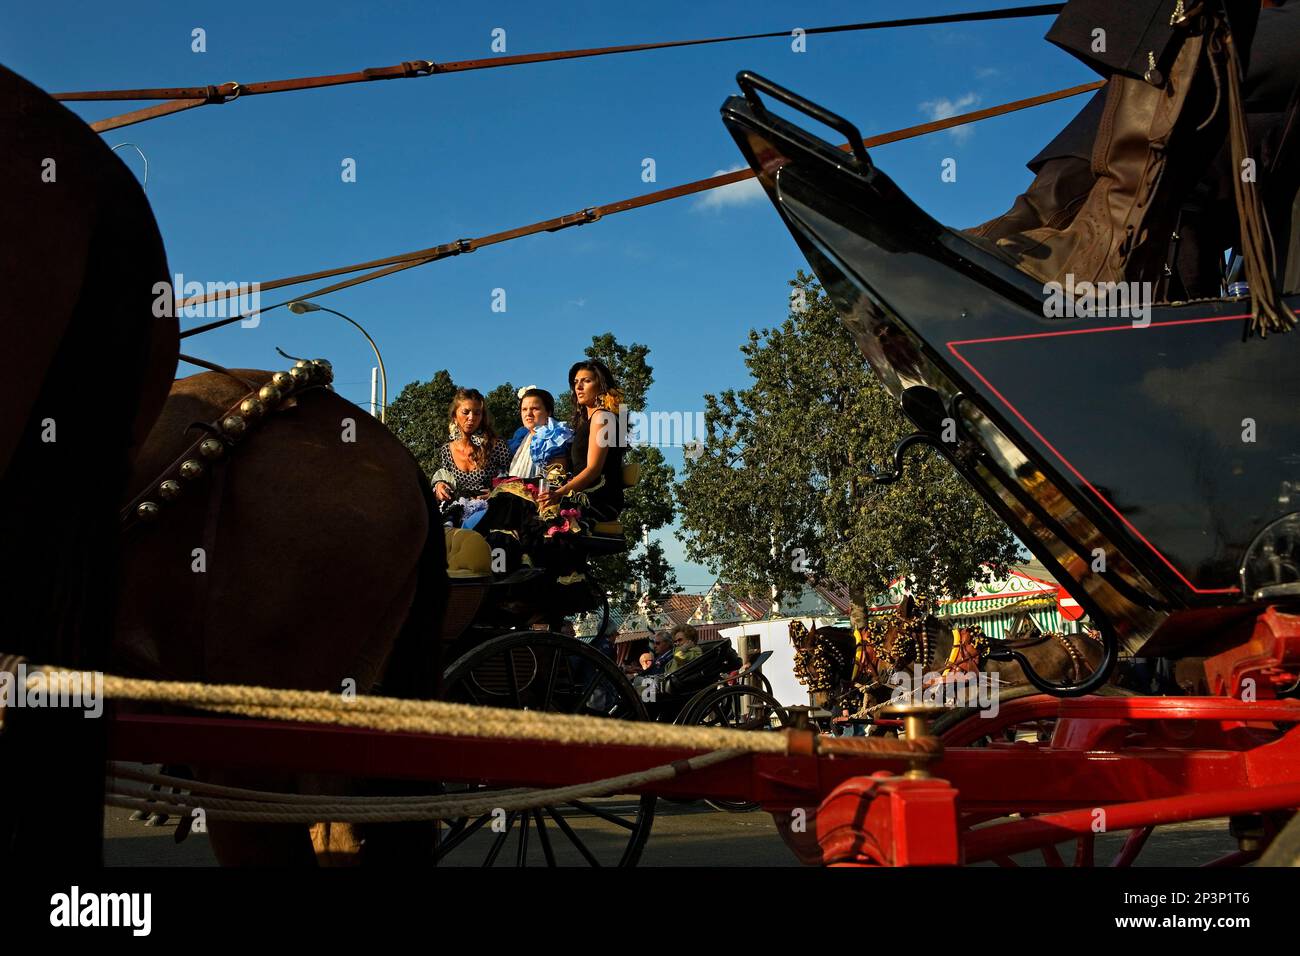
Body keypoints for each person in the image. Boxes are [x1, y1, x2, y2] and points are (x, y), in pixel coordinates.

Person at [536, 360, 627, 527]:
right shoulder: (588, 422)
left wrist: (559, 493)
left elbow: (593, 470)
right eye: (576, 382)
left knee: (537, 518)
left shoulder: (602, 418)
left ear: (601, 386)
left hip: (598, 499)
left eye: (586, 381)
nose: (578, 387)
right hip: (584, 493)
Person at [431, 388, 509, 525]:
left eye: (477, 413)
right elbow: (445, 479)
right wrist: (439, 485)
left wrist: (495, 493)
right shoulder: (446, 450)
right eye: (466, 412)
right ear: (455, 416)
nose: (471, 417)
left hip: (491, 513)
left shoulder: (496, 446)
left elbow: (511, 480)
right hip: (455, 512)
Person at [507, 386, 572, 479]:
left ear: (548, 412)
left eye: (535, 408)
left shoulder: (554, 439)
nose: (528, 414)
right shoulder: (521, 438)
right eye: (524, 409)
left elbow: (556, 480)